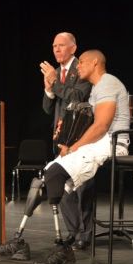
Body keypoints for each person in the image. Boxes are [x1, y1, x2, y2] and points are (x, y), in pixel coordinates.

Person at [0, 49, 130, 264]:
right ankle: (19, 241)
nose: (78, 66)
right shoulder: (96, 90)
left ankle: (61, 248)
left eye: (81, 62)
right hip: (98, 142)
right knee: (46, 176)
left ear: (95, 63)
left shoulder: (107, 83)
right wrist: (67, 137)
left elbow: (101, 127)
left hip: (112, 144)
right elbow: (87, 122)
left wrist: (72, 148)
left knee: (55, 174)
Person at [41, 32, 94, 250]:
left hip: (80, 137)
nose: (56, 49)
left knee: (82, 187)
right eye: (54, 46)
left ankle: (86, 234)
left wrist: (54, 82)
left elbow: (77, 97)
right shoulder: (56, 73)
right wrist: (48, 89)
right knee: (61, 186)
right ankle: (74, 231)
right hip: (60, 137)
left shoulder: (81, 68)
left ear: (73, 49)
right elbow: (47, 109)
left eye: (61, 45)